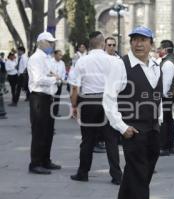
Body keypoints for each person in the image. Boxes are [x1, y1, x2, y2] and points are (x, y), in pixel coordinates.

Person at [103, 26, 162, 199]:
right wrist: (121, 127)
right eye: (135, 40)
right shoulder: (121, 65)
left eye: (143, 40)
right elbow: (109, 98)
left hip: (153, 129)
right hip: (133, 130)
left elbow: (157, 97)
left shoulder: (156, 66)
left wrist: (160, 122)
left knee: (138, 175)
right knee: (139, 177)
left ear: (151, 44)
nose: (138, 44)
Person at [69, 31, 122, 185]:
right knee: (111, 139)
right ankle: (117, 176)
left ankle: (83, 172)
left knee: (87, 140)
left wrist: (74, 106)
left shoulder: (82, 61)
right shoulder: (113, 61)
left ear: (89, 44)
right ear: (103, 43)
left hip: (88, 102)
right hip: (108, 101)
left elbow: (74, 88)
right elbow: (119, 84)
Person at [27, 31, 62, 174]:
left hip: (48, 98)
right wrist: (54, 79)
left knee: (48, 131)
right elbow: (38, 79)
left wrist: (54, 78)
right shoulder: (36, 58)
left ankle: (45, 160)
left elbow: (51, 75)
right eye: (49, 42)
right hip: (39, 98)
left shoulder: (46, 58)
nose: (51, 45)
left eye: (52, 42)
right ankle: (35, 163)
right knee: (39, 132)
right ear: (40, 42)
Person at [158, 40, 174, 156]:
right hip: (168, 96)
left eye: (160, 48)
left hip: (166, 96)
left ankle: (165, 147)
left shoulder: (168, 63)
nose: (158, 50)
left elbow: (166, 83)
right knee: (168, 121)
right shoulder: (168, 61)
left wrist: (161, 96)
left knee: (165, 122)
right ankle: (169, 147)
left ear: (165, 49)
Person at [49, 50, 66, 117]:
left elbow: (64, 72)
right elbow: (48, 71)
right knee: (50, 98)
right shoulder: (50, 62)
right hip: (51, 83)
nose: (60, 56)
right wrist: (54, 77)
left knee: (57, 98)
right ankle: (49, 112)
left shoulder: (62, 63)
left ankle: (55, 112)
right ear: (55, 55)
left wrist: (62, 80)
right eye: (59, 55)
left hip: (59, 83)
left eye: (61, 55)